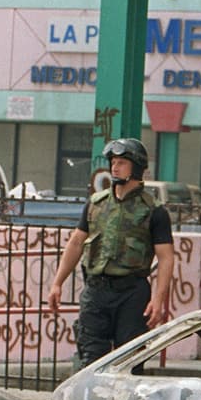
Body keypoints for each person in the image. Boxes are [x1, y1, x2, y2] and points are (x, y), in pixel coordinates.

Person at [46, 137, 174, 367]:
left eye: (122, 162)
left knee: (129, 362)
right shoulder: (96, 203)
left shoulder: (154, 211)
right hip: (96, 291)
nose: (115, 167)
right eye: (113, 162)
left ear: (136, 167)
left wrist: (158, 298)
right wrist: (57, 283)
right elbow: (76, 243)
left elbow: (166, 258)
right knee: (91, 360)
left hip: (131, 294)